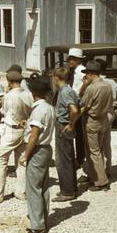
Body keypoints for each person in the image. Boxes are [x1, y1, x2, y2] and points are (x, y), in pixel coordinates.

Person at [0, 71, 33, 204]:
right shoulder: (28, 94)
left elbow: (4, 112)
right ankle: (21, 191)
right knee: (21, 161)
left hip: (11, 129)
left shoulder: (9, 96)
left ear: (9, 82)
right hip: (25, 129)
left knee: (1, 160)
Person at [19, 78, 56, 233]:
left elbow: (34, 137)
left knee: (33, 189)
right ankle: (43, 218)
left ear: (34, 94)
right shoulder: (48, 107)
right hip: (46, 148)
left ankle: (37, 225)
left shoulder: (38, 110)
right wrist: (26, 125)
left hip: (37, 149)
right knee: (43, 186)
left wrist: (25, 155)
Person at [78, 61, 114, 191]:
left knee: (93, 152)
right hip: (103, 119)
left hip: (92, 120)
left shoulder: (92, 88)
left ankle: (101, 181)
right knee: (99, 150)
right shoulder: (107, 85)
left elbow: (83, 104)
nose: (86, 76)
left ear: (91, 73)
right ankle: (95, 176)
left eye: (87, 73)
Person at [95, 59, 117, 178]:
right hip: (110, 113)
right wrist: (115, 99)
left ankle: (99, 172)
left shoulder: (98, 82)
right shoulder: (112, 82)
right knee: (106, 142)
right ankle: (108, 169)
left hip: (100, 114)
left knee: (97, 145)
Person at [52, 67, 79, 202]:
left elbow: (74, 109)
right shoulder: (69, 90)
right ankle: (71, 188)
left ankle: (67, 192)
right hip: (64, 125)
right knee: (68, 158)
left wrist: (70, 124)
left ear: (56, 78)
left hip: (63, 126)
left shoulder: (64, 92)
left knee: (63, 160)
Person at [67, 48, 87, 169]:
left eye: (71, 59)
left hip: (79, 104)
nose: (69, 61)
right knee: (77, 132)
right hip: (75, 102)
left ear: (77, 60)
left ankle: (80, 159)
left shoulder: (81, 72)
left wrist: (79, 95)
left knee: (79, 133)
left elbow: (84, 86)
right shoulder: (74, 71)